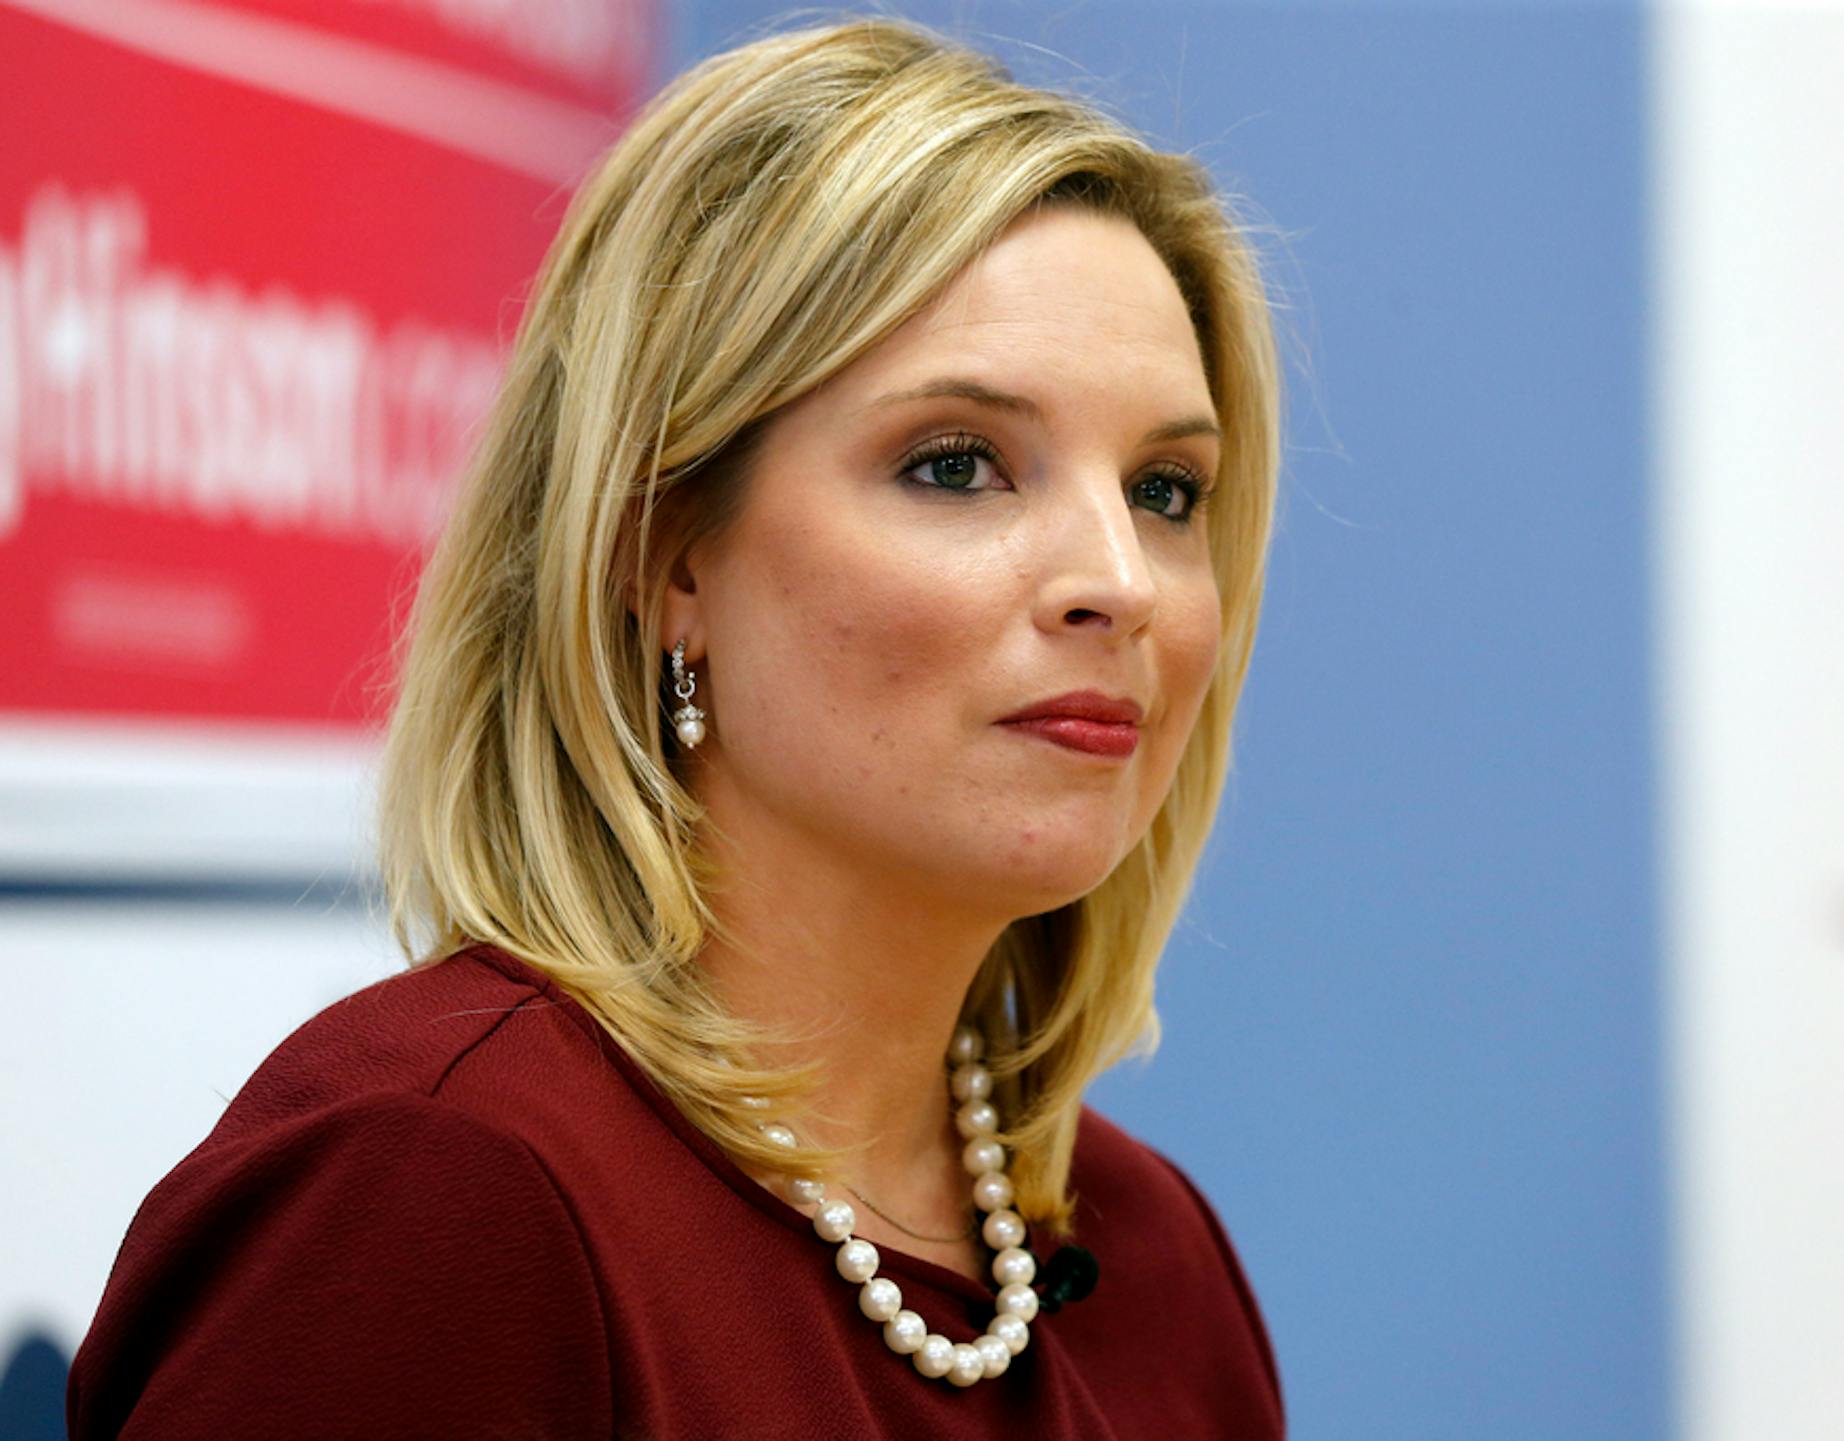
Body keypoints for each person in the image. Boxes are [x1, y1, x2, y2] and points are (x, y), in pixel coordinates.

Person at [68, 16, 1283, 1438]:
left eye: (1167, 490)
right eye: (957, 465)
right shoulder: (438, 1193)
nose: (1120, 585)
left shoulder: (1150, 1254)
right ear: (663, 553)